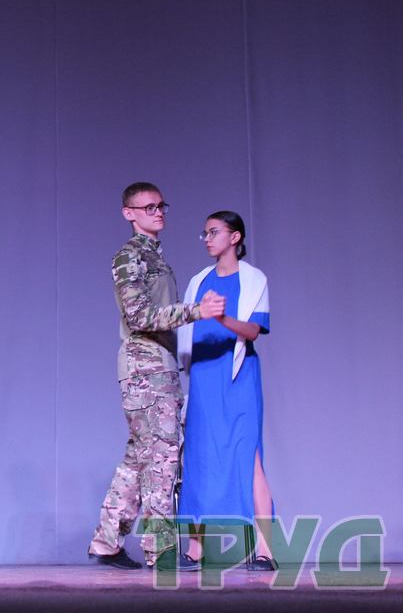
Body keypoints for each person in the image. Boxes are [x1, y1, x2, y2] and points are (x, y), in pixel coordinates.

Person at [88, 183, 225, 572]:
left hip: (158, 368)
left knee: (138, 460)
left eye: (161, 205)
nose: (158, 212)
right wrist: (195, 311)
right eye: (148, 207)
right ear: (129, 213)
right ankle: (160, 552)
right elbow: (139, 316)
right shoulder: (129, 257)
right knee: (161, 462)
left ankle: (106, 542)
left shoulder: (155, 257)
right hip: (145, 370)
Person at [177, 211, 277, 571]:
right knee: (199, 458)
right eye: (204, 233)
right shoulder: (198, 281)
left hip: (238, 378)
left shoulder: (253, 279)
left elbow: (253, 331)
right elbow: (185, 327)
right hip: (204, 377)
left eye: (214, 232)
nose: (207, 239)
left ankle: (265, 549)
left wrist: (221, 319)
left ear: (235, 237)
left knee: (249, 458)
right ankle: (195, 550)